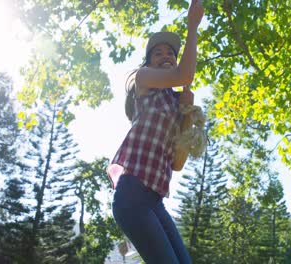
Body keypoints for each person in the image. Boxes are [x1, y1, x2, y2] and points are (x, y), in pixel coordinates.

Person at [107, 0, 204, 263]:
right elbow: (185, 75)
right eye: (158, 53)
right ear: (149, 62)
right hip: (132, 195)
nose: (166, 56)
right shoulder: (144, 80)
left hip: (155, 202)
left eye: (171, 53)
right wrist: (192, 26)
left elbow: (178, 162)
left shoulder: (175, 104)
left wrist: (185, 112)